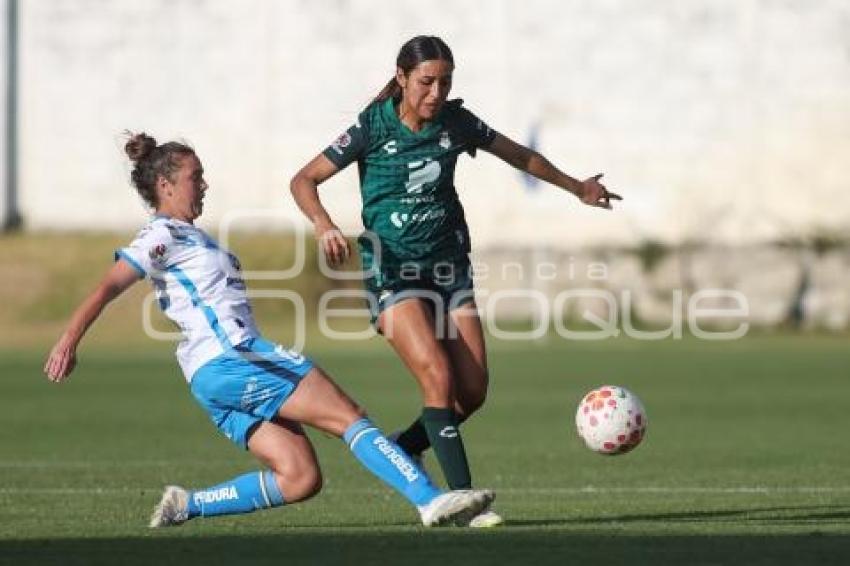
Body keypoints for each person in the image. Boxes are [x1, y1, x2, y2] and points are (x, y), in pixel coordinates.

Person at [43, 132, 494, 528]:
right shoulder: (163, 235)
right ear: (165, 185)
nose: (203, 183)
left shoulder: (191, 237)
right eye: (194, 176)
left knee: (300, 478)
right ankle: (430, 500)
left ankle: (186, 504)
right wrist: (69, 339)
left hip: (208, 377)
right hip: (234, 357)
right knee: (347, 415)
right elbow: (110, 283)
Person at [290, 35, 621, 528]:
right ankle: (463, 502)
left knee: (471, 392)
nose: (436, 92)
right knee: (437, 378)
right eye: (427, 81)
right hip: (393, 269)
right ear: (401, 78)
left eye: (445, 82)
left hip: (448, 268)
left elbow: (520, 156)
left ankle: (406, 450)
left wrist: (578, 188)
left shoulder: (457, 123)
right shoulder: (371, 128)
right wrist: (324, 224)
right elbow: (303, 179)